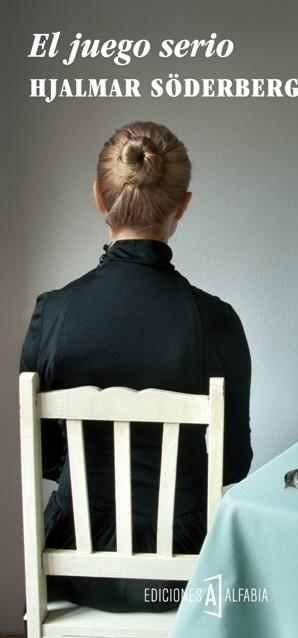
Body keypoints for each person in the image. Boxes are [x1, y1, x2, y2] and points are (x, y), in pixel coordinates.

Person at [20, 120, 253, 612]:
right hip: (183, 573)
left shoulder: (52, 313)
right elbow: (233, 463)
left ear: (98, 198)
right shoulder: (216, 320)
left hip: (76, 566)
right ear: (182, 206)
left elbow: (44, 458)